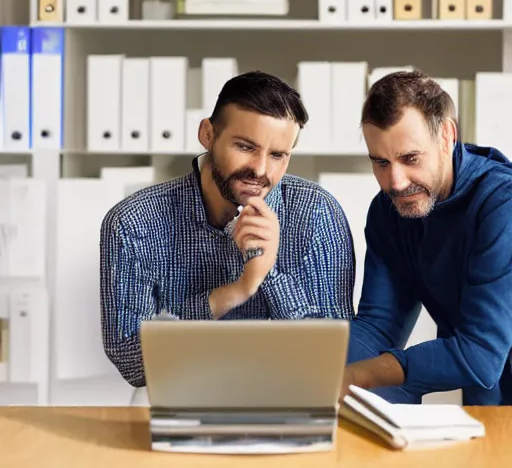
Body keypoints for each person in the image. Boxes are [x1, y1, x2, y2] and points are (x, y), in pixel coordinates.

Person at [100, 70, 355, 388]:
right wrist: (237, 291)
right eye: (246, 147)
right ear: (208, 134)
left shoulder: (317, 212)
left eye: (277, 155)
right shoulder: (133, 222)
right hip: (179, 395)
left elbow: (337, 358)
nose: (261, 170)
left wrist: (268, 275)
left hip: (290, 396)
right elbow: (131, 362)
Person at [342, 69, 512, 406]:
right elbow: (379, 325)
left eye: (410, 158)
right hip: (486, 395)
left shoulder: (501, 203)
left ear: (447, 136)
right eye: (381, 162)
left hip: (486, 369)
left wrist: (361, 374)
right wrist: (320, 369)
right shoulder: (388, 211)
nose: (395, 181)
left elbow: (480, 354)